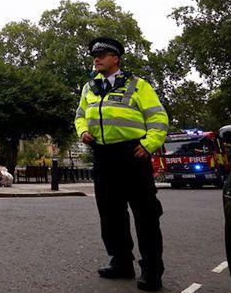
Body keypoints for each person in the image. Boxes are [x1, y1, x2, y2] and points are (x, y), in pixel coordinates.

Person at [74, 37, 169, 291]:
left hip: (133, 155)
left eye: (102, 54)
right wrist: (83, 131)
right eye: (95, 55)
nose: (97, 59)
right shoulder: (89, 88)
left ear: (116, 58)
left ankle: (151, 270)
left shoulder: (138, 86)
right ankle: (121, 262)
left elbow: (158, 117)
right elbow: (80, 116)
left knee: (146, 215)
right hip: (103, 157)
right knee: (110, 214)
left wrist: (149, 144)